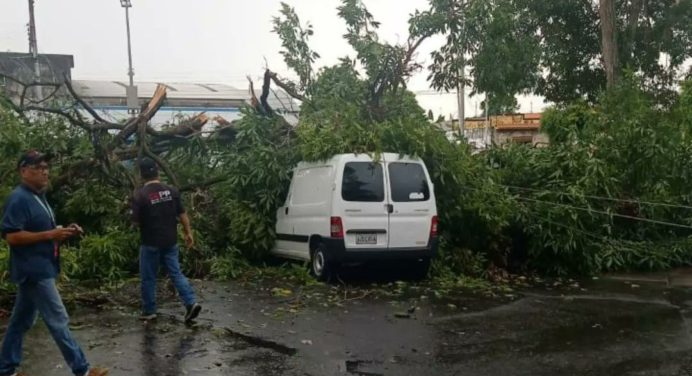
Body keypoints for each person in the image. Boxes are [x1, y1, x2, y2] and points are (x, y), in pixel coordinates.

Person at [0, 150, 108, 376]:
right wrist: (50, 235)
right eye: (38, 168)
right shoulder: (18, 198)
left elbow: (43, 231)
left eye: (46, 168)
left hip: (41, 266)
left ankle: (6, 368)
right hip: (34, 270)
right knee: (58, 319)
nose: (45, 172)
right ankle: (83, 370)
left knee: (21, 321)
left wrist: (64, 230)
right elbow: (12, 236)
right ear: (23, 171)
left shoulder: (39, 196)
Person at [131, 158, 201, 323]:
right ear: (158, 172)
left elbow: (135, 222)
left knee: (149, 277)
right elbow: (182, 214)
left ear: (141, 175)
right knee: (176, 273)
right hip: (170, 241)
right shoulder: (172, 191)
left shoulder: (140, 195)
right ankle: (191, 303)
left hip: (150, 243)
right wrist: (188, 233)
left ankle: (149, 311)